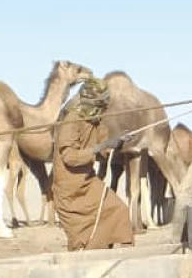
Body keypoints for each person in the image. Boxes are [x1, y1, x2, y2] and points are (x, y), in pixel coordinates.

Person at [52, 78, 134, 252]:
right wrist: (100, 147)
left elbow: (104, 149)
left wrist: (117, 142)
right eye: (101, 104)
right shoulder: (72, 120)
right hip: (69, 191)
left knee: (118, 211)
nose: (103, 109)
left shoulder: (97, 121)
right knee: (82, 241)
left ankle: (125, 259)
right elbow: (70, 157)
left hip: (89, 184)